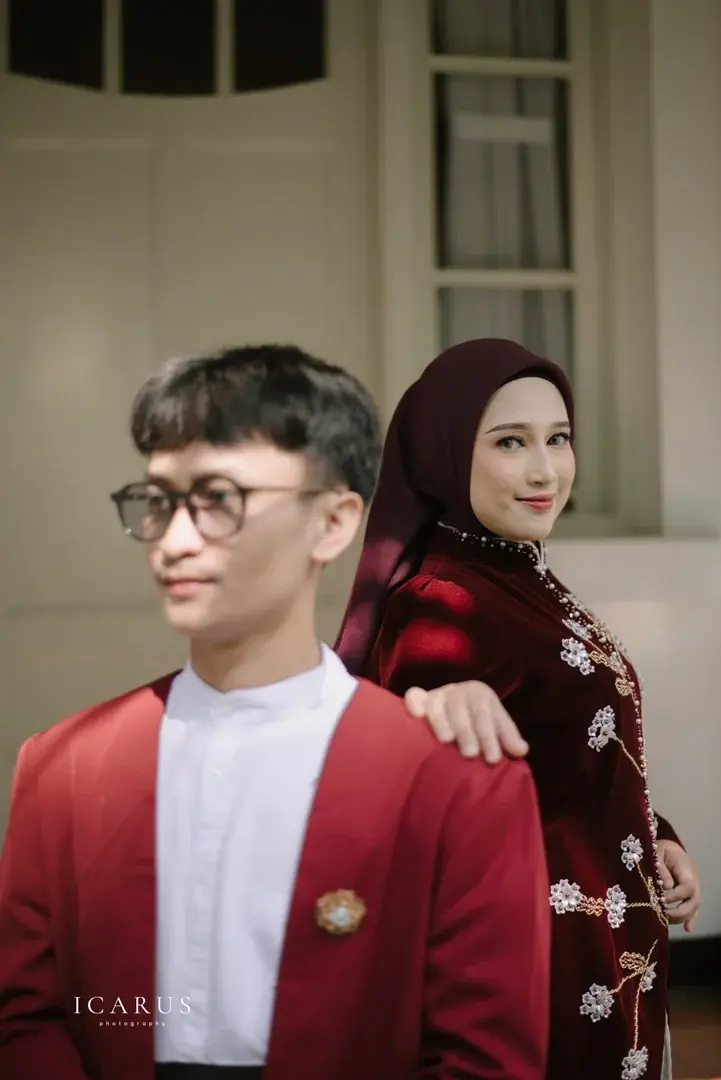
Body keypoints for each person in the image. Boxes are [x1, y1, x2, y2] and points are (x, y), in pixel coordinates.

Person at [0, 345, 551, 1080]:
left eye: (219, 501)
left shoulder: (459, 781)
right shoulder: (61, 766)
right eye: (158, 502)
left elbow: (484, 1058)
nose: (175, 541)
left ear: (333, 523)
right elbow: (24, 1017)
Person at [335, 338, 703, 1080]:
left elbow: (565, 756)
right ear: (444, 456)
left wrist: (652, 836)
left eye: (558, 439)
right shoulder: (442, 605)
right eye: (510, 442)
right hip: (543, 963)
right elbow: (436, 814)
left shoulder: (520, 578)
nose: (545, 470)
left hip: (609, 944)